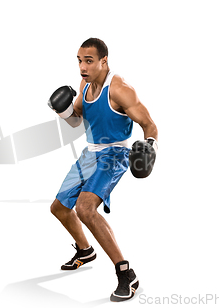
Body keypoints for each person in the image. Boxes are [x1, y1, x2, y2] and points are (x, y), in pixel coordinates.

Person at [48, 38, 158, 302]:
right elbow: (76, 122)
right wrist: (63, 112)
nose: (82, 67)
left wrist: (150, 145)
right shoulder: (85, 85)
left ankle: (126, 273)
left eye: (88, 61)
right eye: (79, 60)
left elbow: (149, 124)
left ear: (103, 61)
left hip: (115, 154)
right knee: (59, 208)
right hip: (91, 153)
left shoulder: (119, 89)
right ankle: (86, 251)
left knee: (85, 208)